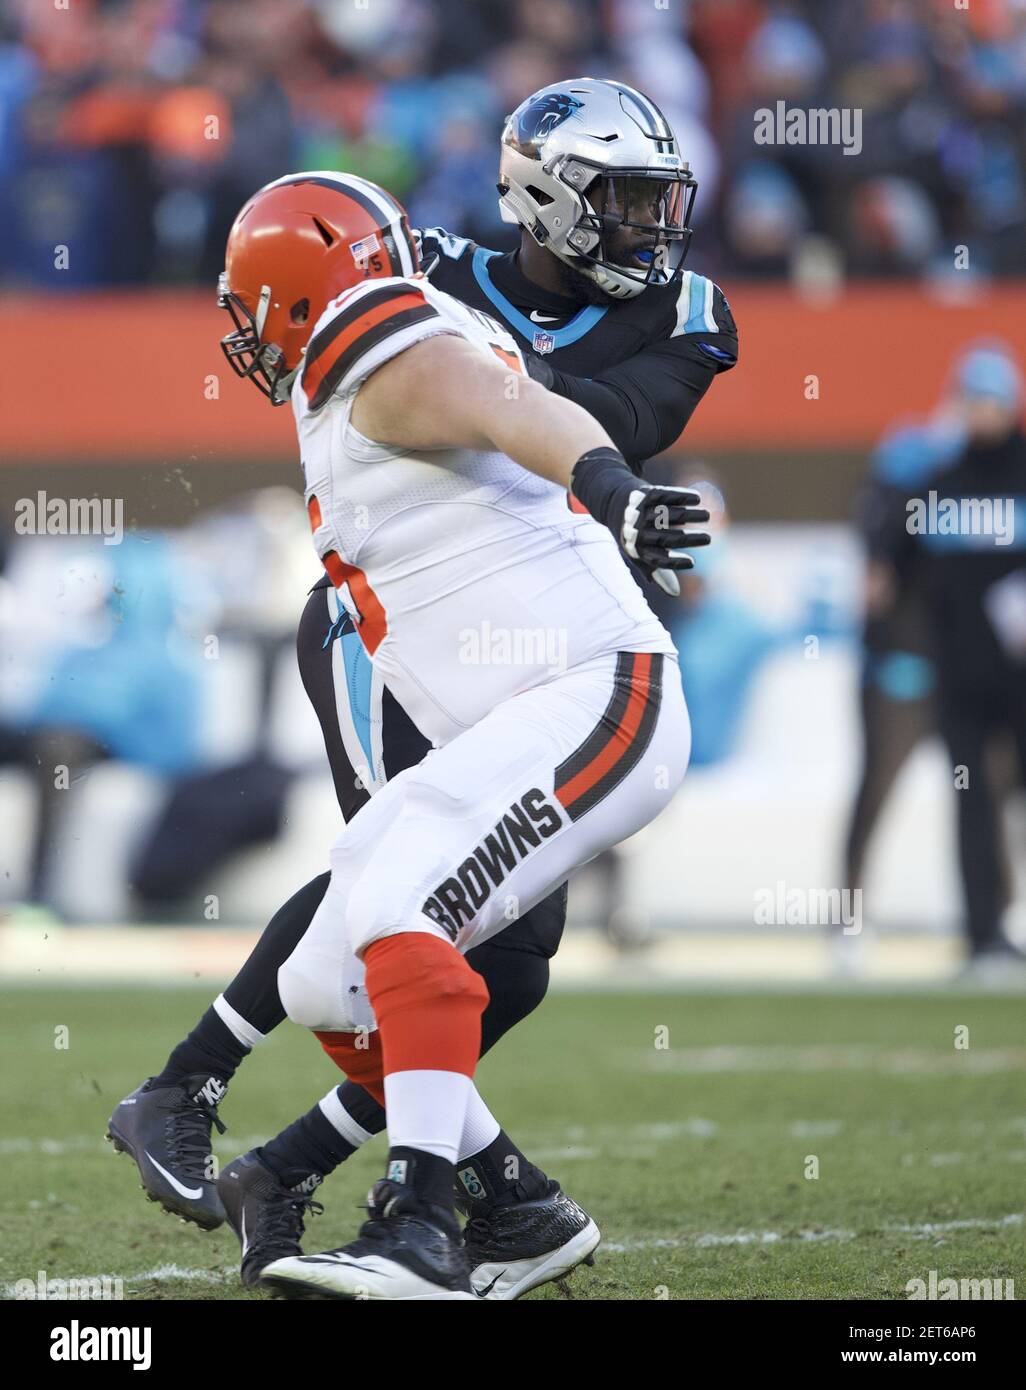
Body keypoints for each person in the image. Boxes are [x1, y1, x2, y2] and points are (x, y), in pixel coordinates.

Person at [106, 79, 737, 1296]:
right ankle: (465, 1198)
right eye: (623, 199)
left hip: (562, 661)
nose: (648, 225)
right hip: (433, 648)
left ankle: (409, 1207)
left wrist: (602, 480)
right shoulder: (411, 301)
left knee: (468, 938)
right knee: (352, 954)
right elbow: (507, 400)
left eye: (653, 199)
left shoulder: (389, 319)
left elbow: (529, 407)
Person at [863, 342, 1026, 972]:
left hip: (1021, 678)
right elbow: (888, 571)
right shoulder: (939, 480)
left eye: (992, 401)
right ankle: (983, 935)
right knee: (973, 804)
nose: (982, 413)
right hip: (960, 677)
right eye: (973, 401)